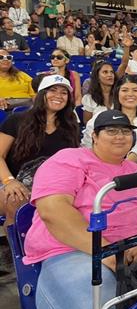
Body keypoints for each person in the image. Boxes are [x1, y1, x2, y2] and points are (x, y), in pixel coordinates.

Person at [22, 110, 137, 309]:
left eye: (126, 131)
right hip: (72, 250)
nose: (120, 136)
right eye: (111, 130)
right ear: (94, 136)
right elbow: (53, 210)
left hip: (134, 247)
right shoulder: (69, 159)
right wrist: (105, 252)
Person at [0, 74, 81, 278]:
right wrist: (9, 181)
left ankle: (61, 253)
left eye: (64, 92)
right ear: (42, 94)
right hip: (14, 181)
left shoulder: (70, 126)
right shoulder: (16, 120)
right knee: (17, 201)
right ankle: (19, 257)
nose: (58, 96)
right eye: (53, 90)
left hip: (52, 186)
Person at [83, 76, 137, 164]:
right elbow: (88, 145)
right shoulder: (100, 117)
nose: (130, 94)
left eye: (135, 90)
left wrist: (121, 170)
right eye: (125, 90)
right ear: (117, 93)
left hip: (133, 171)